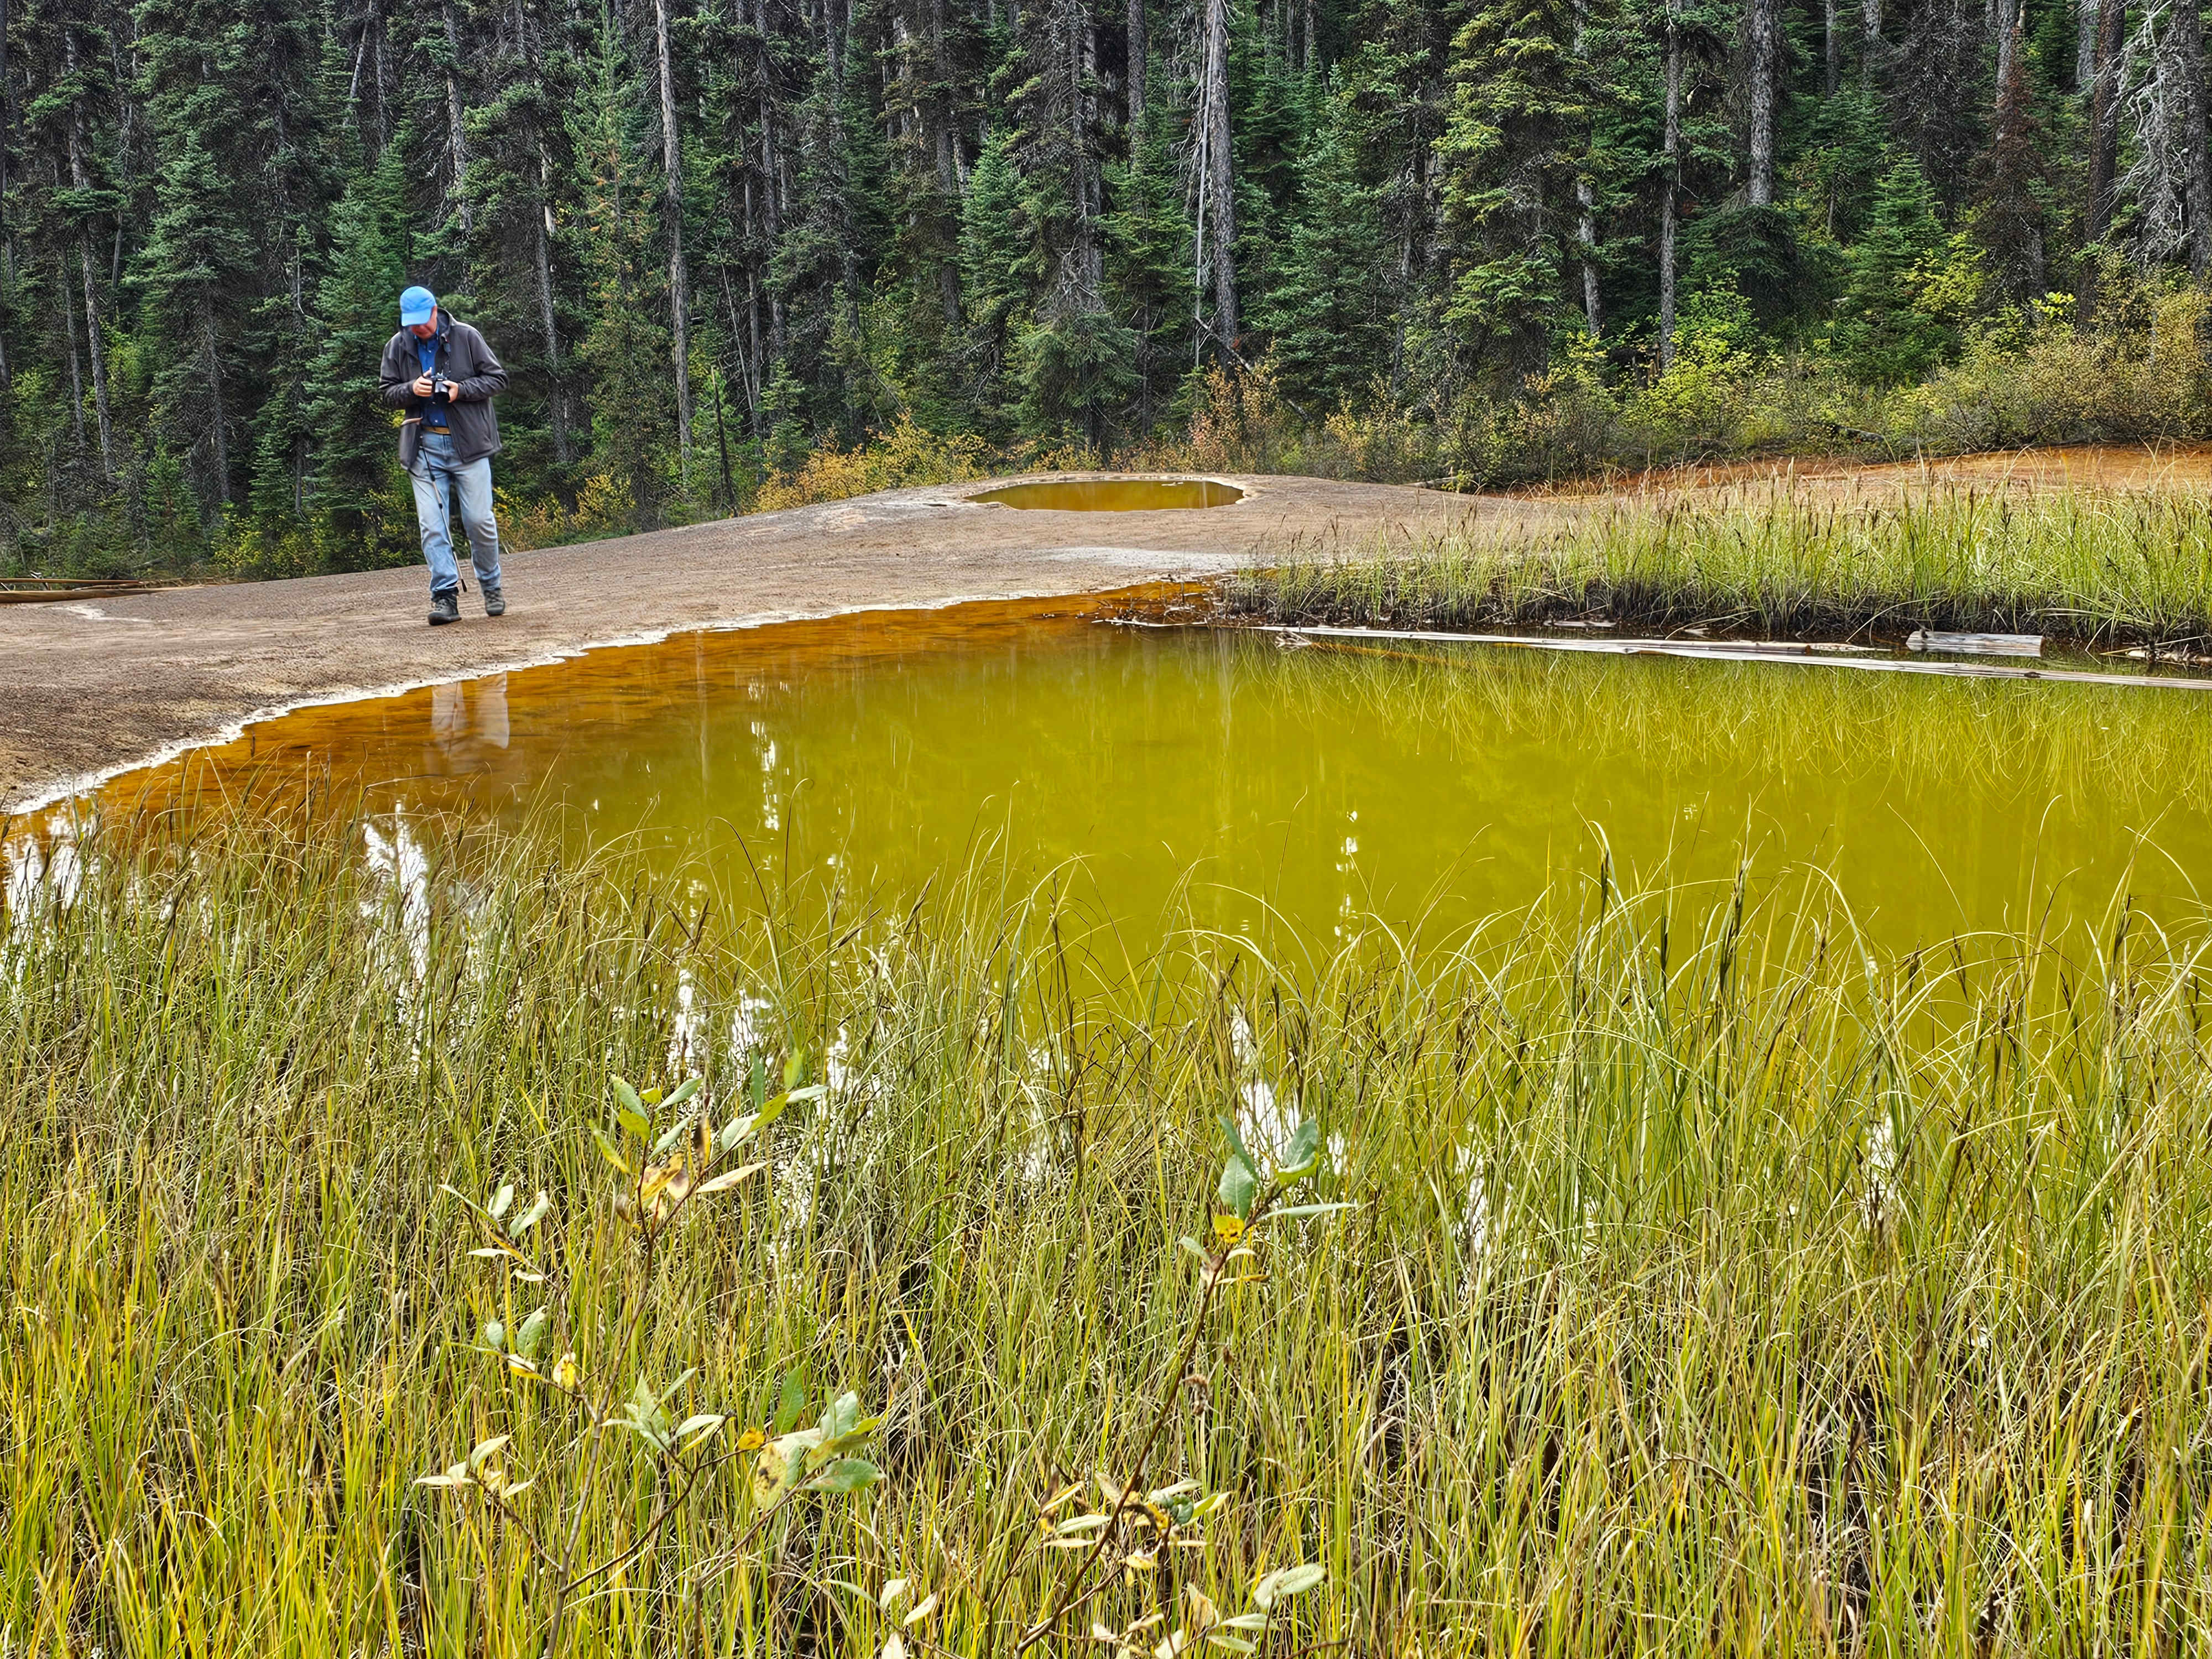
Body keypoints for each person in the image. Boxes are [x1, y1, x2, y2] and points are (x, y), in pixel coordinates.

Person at [379, 285, 510, 625]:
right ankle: (445, 597)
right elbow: (386, 392)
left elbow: (497, 379)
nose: (419, 329)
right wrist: (411, 389)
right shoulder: (397, 346)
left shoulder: (467, 337)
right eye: (412, 324)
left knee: (479, 521)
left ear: (436, 311)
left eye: (423, 321)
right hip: (423, 448)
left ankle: (491, 587)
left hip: (469, 445)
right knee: (432, 527)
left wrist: (460, 390)